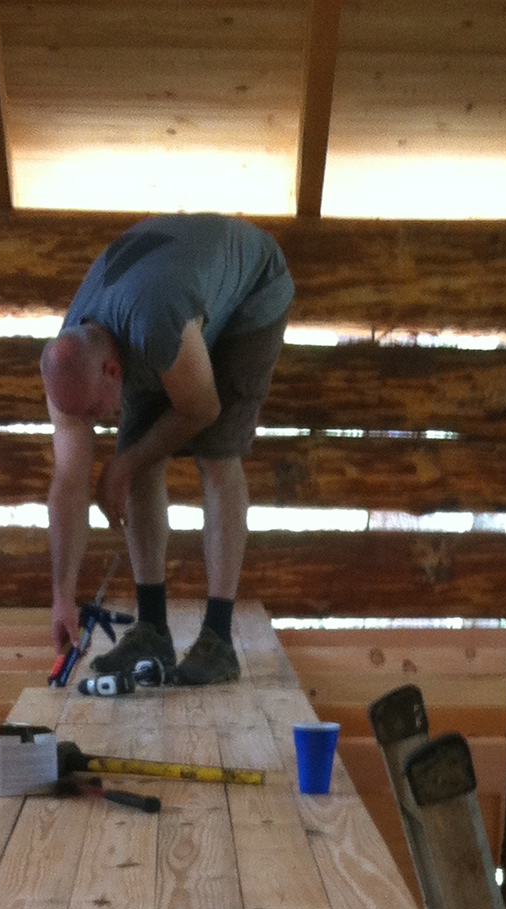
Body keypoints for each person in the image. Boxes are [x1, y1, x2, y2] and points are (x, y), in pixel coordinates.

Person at [41, 215, 294, 690]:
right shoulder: (70, 366)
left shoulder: (154, 327)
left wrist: (123, 463)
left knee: (216, 454)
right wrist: (62, 596)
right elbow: (68, 486)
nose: (94, 420)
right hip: (172, 292)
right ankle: (152, 630)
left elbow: (202, 408)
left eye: (95, 410)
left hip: (250, 290)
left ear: (113, 372)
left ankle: (218, 640)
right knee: (138, 458)